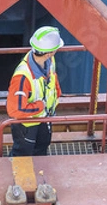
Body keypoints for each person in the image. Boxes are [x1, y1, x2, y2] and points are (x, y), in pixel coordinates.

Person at [6, 26, 64, 156]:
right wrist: (40, 106)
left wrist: (57, 93)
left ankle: (39, 174)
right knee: (23, 154)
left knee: (41, 147)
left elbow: (52, 77)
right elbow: (15, 110)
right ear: (50, 52)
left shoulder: (49, 61)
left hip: (45, 118)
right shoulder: (23, 76)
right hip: (27, 125)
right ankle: (18, 176)